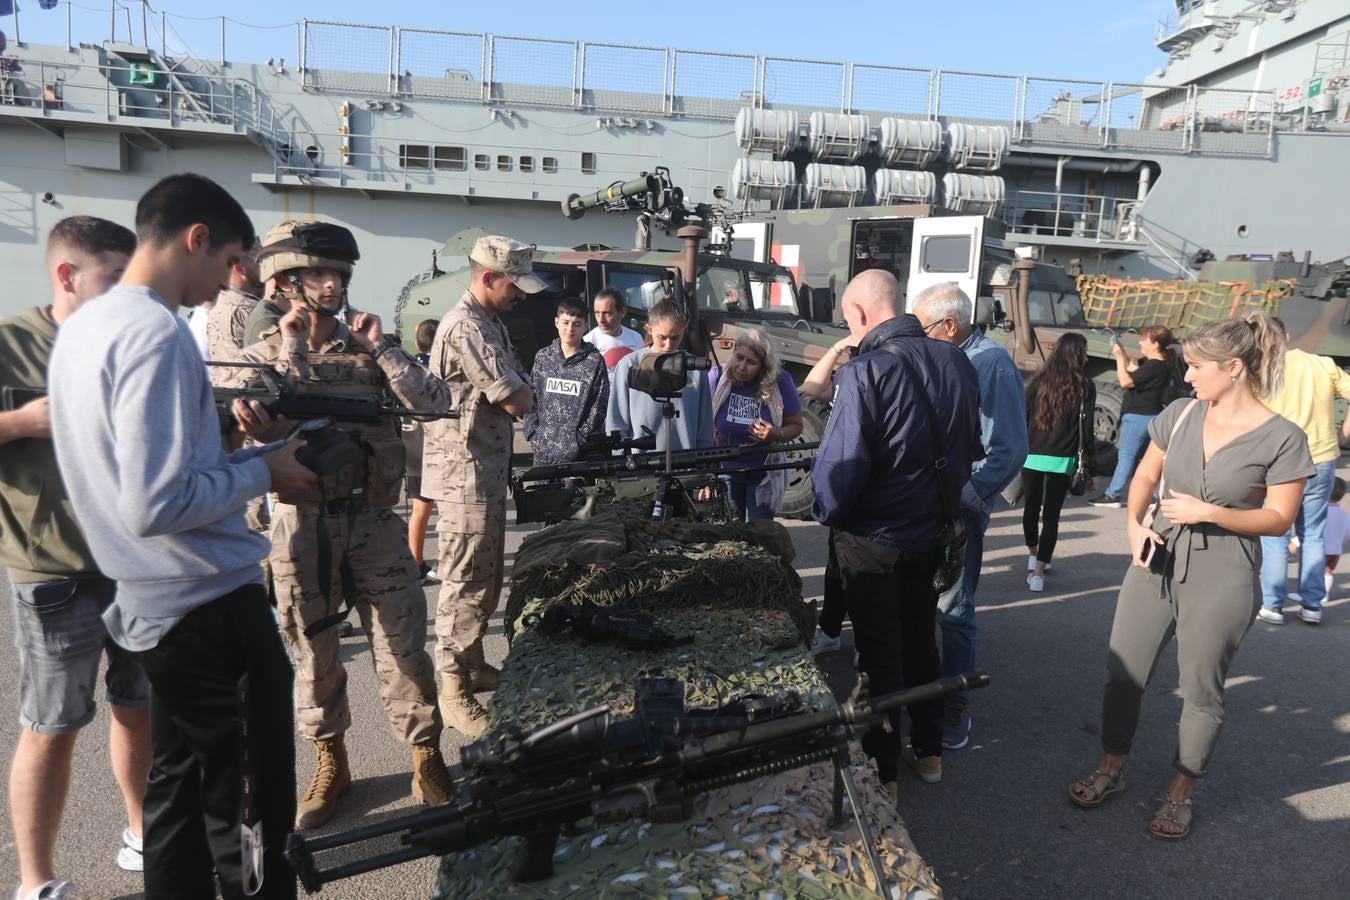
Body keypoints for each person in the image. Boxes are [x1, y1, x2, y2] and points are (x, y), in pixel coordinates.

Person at [47, 174, 315, 898]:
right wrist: (268, 475)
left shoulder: (84, 329)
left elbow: (139, 477)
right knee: (247, 809)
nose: (233, 279)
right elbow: (155, 501)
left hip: (152, 605)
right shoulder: (154, 332)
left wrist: (249, 458)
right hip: (206, 609)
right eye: (230, 259)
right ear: (196, 239)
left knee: (180, 800)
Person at [223, 220, 457, 828]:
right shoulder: (261, 355)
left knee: (404, 645)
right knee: (314, 652)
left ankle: (425, 752)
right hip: (303, 527)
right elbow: (259, 410)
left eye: (338, 275)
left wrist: (382, 348)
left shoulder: (370, 352)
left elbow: (434, 402)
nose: (331, 285)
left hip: (374, 524)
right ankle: (332, 762)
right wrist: (293, 344)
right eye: (316, 275)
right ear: (285, 284)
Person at [1069, 314, 1312, 842]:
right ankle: (1111, 768)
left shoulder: (1283, 437)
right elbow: (1144, 476)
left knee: (1202, 689)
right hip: (1154, 558)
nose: (1189, 376)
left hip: (1224, 571)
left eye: (1198, 367)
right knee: (1123, 673)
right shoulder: (1180, 413)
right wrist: (1134, 527)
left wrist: (1212, 513)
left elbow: (1279, 518)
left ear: (1234, 367)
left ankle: (1182, 792)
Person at [1, 217, 147, 900]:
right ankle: (36, 882)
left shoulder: (127, 342)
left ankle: (143, 833)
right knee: (51, 727)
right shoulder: (12, 343)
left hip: (133, 562)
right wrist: (22, 422)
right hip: (51, 567)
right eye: (114, 278)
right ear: (67, 276)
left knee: (138, 706)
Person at [811, 269, 980, 794]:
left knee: (880, 653)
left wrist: (825, 512)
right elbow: (970, 446)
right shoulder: (957, 359)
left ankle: (884, 771)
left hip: (872, 539)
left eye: (847, 320)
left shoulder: (865, 370)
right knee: (920, 642)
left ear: (859, 314)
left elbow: (841, 468)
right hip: (930, 532)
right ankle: (928, 752)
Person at [423, 235, 539, 739]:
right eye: (515, 285)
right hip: (463, 473)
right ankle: (452, 690)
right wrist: (522, 387)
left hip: (483, 470)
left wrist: (522, 385)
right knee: (464, 580)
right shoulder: (467, 326)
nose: (521, 296)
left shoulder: (491, 323)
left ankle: (471, 663)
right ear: (489, 277)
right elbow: (517, 398)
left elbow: (521, 385)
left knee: (486, 575)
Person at [912, 283, 1028, 751]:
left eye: (922, 329)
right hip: (933, 505)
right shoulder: (956, 358)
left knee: (955, 609)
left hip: (957, 510)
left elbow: (1010, 449)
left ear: (949, 326)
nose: (917, 338)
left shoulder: (989, 364)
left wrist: (965, 497)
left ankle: (955, 706)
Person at [1255, 316, 1350, 625]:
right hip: (1321, 457)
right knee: (1313, 535)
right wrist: (1344, 432)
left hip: (1278, 461)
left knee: (1275, 534)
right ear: (1288, 336)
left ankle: (1273, 604)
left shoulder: (1260, 370)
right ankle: (1312, 604)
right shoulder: (1322, 364)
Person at [1022, 334, 1096, 592]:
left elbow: (1023, 417)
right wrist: (1090, 465)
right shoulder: (1085, 386)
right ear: (1078, 355)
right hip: (1062, 458)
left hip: (1031, 454)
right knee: (1051, 515)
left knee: (1030, 506)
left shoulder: (1037, 382)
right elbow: (1086, 431)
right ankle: (1039, 573)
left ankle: (1033, 554)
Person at [800, 334, 858, 655]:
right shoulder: (844, 381)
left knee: (868, 574)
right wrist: (837, 348)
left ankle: (867, 642)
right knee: (837, 565)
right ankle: (831, 630)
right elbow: (811, 388)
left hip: (872, 490)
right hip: (845, 486)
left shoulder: (880, 378)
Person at [707, 329, 803, 522]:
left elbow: (796, 425)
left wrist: (775, 434)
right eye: (739, 357)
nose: (741, 366)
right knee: (730, 535)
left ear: (763, 367)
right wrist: (705, 474)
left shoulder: (781, 381)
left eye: (751, 362)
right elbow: (703, 428)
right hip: (725, 471)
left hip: (763, 473)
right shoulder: (717, 377)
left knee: (759, 536)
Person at [607, 297, 714, 450]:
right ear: (649, 329)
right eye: (662, 337)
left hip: (686, 464)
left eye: (675, 337)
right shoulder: (629, 365)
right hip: (641, 466)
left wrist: (703, 462)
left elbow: (705, 427)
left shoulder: (695, 369)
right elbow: (616, 422)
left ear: (684, 330)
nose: (668, 345)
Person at [1091, 325, 1179, 507]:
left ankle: (1112, 495)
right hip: (1151, 416)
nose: (1140, 342)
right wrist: (1121, 352)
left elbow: (1126, 381)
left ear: (1155, 344)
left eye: (1144, 339)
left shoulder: (1155, 365)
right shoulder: (1156, 363)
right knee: (1149, 459)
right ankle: (1158, 496)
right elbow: (1133, 368)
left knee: (1126, 456)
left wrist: (1116, 358)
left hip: (1138, 416)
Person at [523, 298, 610, 466]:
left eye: (577, 324)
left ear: (585, 326)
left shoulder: (594, 361)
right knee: (540, 492)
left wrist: (578, 441)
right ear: (556, 322)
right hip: (543, 454)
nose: (570, 329)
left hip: (578, 457)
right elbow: (531, 398)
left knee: (576, 493)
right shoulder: (543, 357)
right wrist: (533, 434)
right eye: (566, 322)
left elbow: (598, 408)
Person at [404, 318, 440, 582]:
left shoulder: (407, 368)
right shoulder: (437, 370)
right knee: (449, 514)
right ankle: (450, 563)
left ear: (417, 342)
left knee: (420, 511)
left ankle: (414, 563)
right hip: (439, 452)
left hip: (412, 452)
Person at [205, 237, 264, 372]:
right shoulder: (245, 310)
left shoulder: (221, 304)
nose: (266, 266)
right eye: (259, 261)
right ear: (240, 268)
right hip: (247, 391)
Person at [584, 286, 644, 369]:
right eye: (597, 313)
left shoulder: (636, 338)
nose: (601, 319)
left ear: (622, 312)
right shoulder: (587, 342)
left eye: (607, 313)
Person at [1323, 477, 1347, 599]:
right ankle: (1325, 594)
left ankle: (1313, 593)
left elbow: (1313, 529)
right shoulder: (1343, 514)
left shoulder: (1322, 512)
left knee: (1315, 572)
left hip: (1321, 549)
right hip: (1336, 550)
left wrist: (1296, 542)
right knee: (1327, 572)